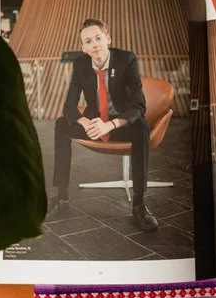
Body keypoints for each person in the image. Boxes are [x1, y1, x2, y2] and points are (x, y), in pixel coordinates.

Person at [48, 18, 159, 232]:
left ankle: (139, 206)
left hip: (120, 124)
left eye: (98, 38)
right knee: (61, 125)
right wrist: (85, 122)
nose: (94, 44)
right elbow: (69, 106)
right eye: (88, 41)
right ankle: (61, 197)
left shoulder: (126, 59)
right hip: (94, 123)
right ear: (83, 47)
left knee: (142, 128)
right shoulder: (81, 65)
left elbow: (139, 106)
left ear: (108, 38)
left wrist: (112, 125)